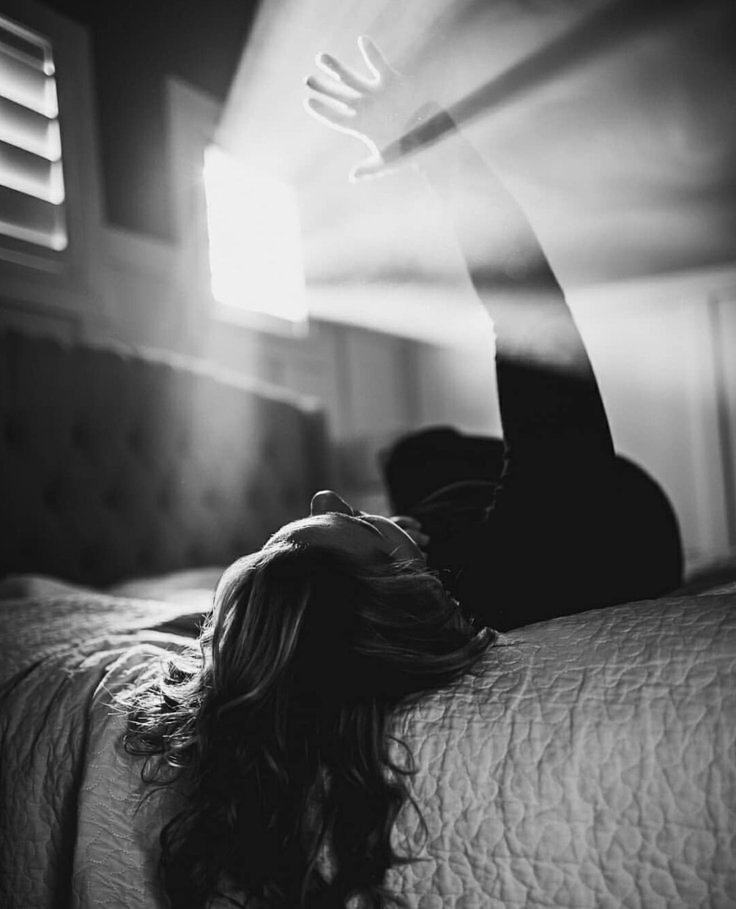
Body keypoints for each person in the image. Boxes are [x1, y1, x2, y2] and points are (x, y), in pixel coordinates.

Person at [123, 35, 681, 909]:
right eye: (343, 521)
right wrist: (431, 137)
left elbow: (268, 649)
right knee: (435, 457)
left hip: (461, 526)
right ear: (396, 573)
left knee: (416, 457)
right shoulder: (544, 528)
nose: (323, 492)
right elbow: (526, 310)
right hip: (624, 503)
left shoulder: (346, 621)